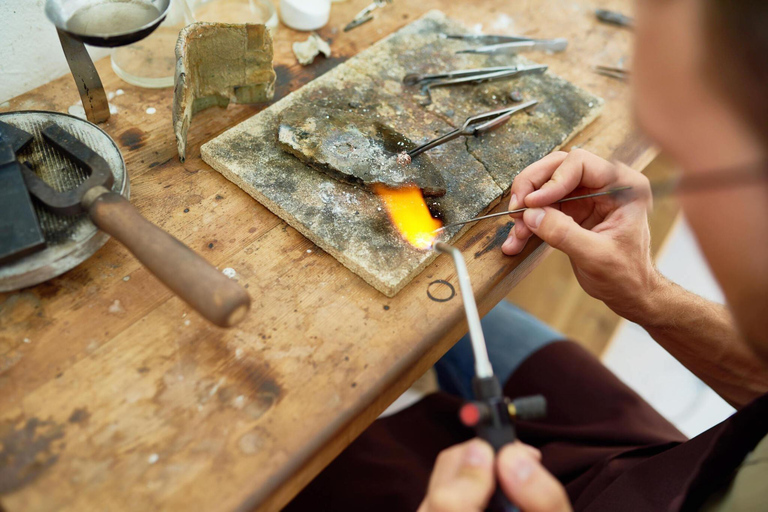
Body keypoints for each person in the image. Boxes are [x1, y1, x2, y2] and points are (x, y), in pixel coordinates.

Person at [285, 0, 768, 510]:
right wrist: (647, 292)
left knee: (312, 442)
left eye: (686, 157)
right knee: (443, 316)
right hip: (663, 465)